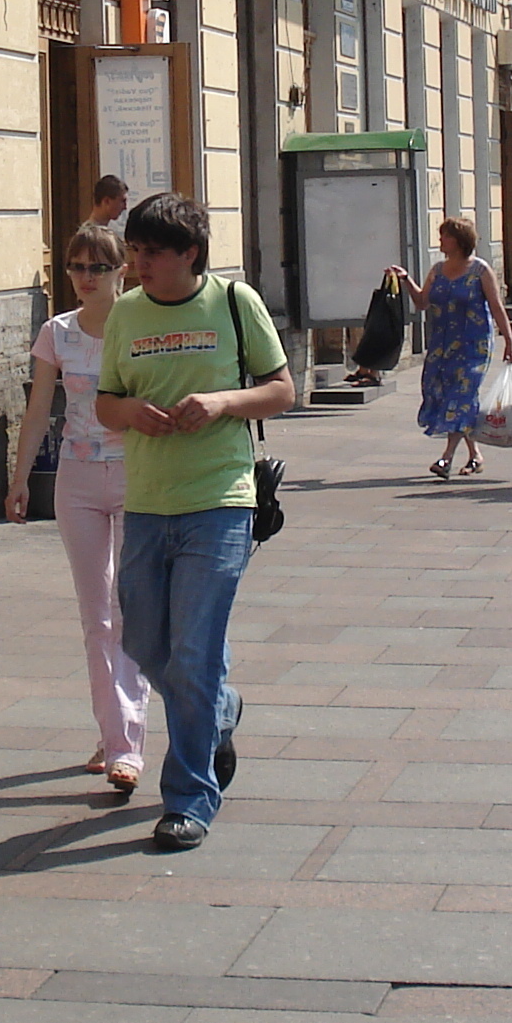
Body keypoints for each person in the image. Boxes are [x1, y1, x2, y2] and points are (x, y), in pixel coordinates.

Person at [96, 192, 295, 852]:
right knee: (146, 641)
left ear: (190, 254)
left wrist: (220, 402)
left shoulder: (236, 305)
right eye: (134, 251)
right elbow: (105, 400)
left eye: (151, 253)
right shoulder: (125, 313)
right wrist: (128, 414)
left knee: (195, 648)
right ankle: (220, 709)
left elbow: (282, 389)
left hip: (220, 499)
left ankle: (187, 797)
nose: (138, 264)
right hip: (149, 503)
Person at [9, 222, 145, 794]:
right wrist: (15, 482)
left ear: (122, 271)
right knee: (96, 617)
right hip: (78, 479)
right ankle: (114, 735)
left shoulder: (141, 323)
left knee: (130, 609)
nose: (85, 279)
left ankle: (125, 743)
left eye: (97, 268)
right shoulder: (57, 333)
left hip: (141, 476)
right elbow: (39, 409)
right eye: (76, 268)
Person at [399, 216, 512, 479]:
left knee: (460, 397)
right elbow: (422, 302)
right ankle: (475, 455)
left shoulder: (480, 271)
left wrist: (509, 340)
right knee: (445, 395)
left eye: (445, 236)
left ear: (459, 240)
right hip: (442, 345)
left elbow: (496, 307)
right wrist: (406, 280)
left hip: (475, 345)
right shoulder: (437, 270)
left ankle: (445, 459)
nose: (440, 240)